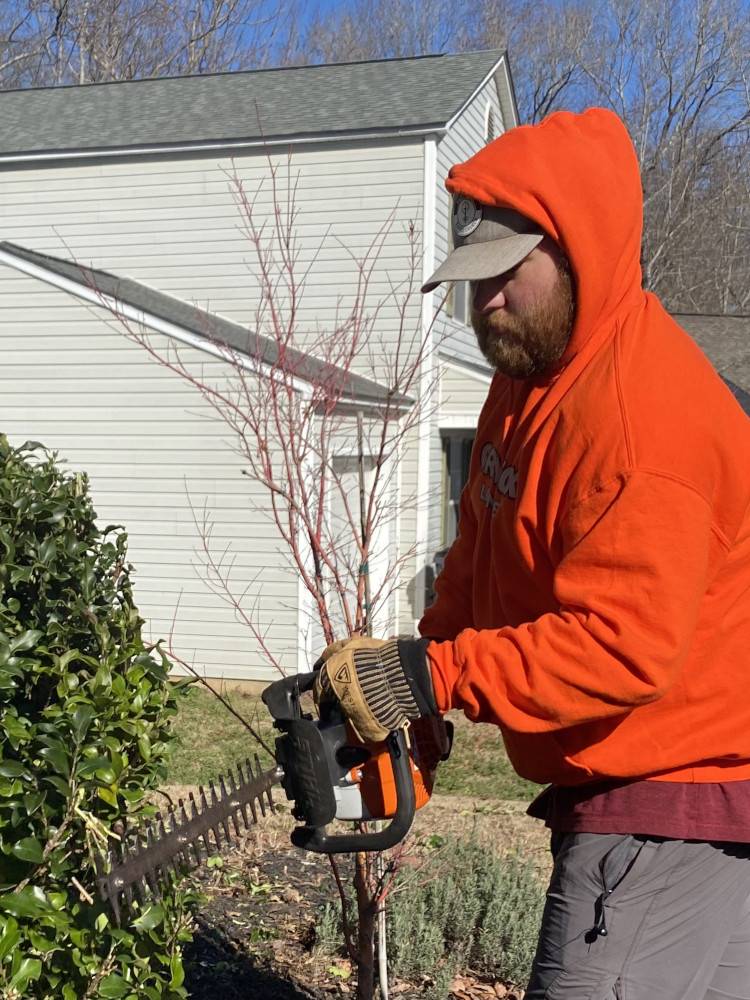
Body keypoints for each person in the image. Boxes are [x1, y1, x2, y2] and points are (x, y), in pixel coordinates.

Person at [314, 108, 750, 999]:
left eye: (506, 276)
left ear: (579, 249)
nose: (487, 302)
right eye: (473, 282)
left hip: (674, 793)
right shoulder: (526, 382)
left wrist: (441, 679)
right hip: (631, 785)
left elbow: (622, 644)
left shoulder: (639, 423)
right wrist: (418, 692)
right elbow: (480, 552)